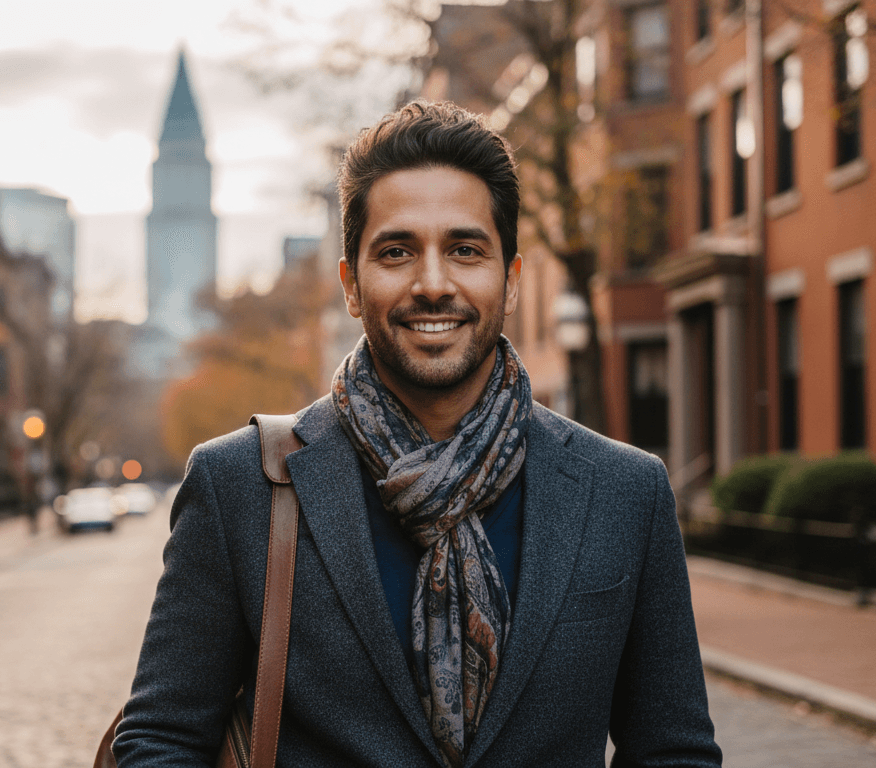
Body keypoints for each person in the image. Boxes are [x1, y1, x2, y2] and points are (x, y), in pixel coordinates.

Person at [113, 101, 721, 767]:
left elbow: (674, 752)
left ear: (511, 282)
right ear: (351, 285)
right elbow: (161, 741)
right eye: (397, 252)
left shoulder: (626, 492)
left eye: (465, 250)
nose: (433, 284)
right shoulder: (239, 486)